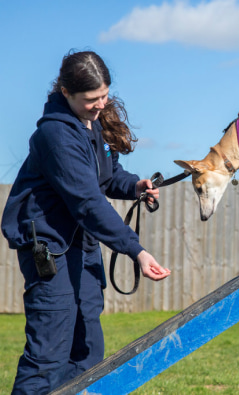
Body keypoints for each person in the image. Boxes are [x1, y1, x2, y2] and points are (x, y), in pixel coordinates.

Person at [1, 50, 171, 393]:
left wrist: (134, 185)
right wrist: (135, 250)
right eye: (92, 99)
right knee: (48, 358)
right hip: (49, 251)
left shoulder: (89, 127)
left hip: (83, 247)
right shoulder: (55, 136)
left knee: (88, 352)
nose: (101, 104)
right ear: (66, 93)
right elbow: (87, 201)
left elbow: (105, 177)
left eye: (105, 95)